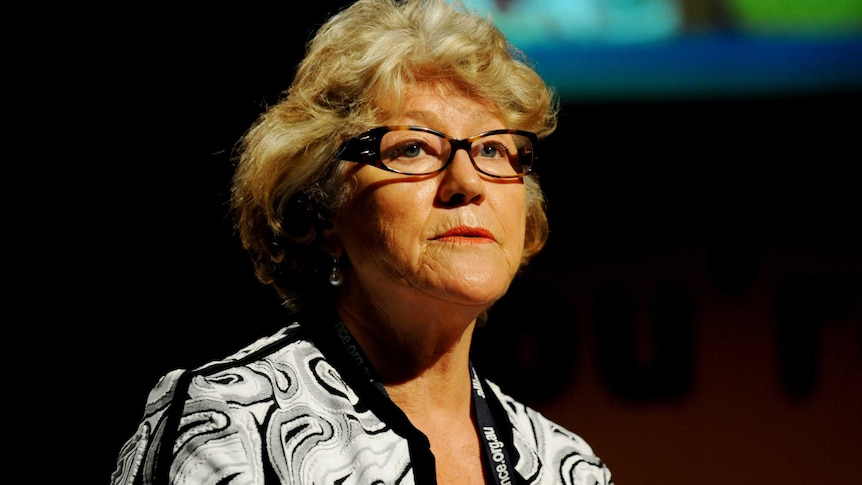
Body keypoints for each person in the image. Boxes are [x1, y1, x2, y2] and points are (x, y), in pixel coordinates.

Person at [111, 0, 613, 483]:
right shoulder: (230, 426)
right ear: (322, 211)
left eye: (494, 149)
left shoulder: (565, 465)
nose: (468, 181)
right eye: (413, 148)